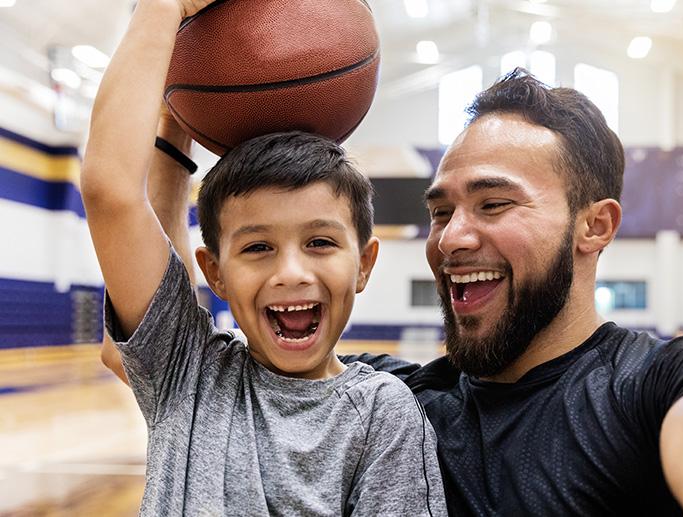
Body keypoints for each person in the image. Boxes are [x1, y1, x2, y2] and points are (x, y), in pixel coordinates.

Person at [102, 65, 683, 515]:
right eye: (441, 210)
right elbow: (154, 341)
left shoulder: (663, 383)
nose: (453, 236)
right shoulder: (388, 396)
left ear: (593, 227)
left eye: (493, 204)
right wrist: (177, 146)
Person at [81, 0, 446, 515]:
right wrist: (167, 13)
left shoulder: (382, 415)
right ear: (215, 273)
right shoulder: (188, 373)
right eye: (257, 248)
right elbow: (110, 190)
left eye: (320, 242)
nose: (291, 273)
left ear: (364, 263)